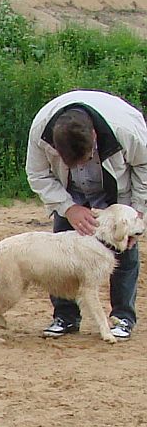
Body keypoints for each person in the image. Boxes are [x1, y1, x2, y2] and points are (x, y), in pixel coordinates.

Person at [26, 89, 147, 341]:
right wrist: (68, 208)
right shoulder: (40, 132)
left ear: (93, 136)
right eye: (73, 162)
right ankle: (66, 317)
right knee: (61, 252)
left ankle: (122, 317)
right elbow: (37, 174)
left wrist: (137, 212)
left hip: (117, 191)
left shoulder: (126, 129)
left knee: (125, 251)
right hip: (70, 193)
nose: (81, 165)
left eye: (86, 158)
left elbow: (144, 168)